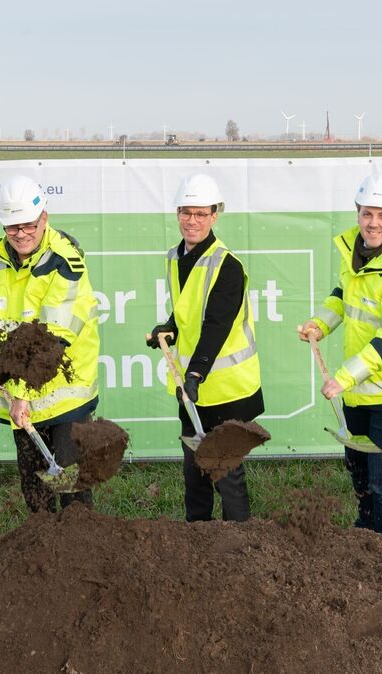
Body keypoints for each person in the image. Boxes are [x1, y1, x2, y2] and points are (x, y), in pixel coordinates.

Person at [298, 174, 382, 538]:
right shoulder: (354, 251)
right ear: (358, 213)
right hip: (358, 393)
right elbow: (343, 296)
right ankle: (366, 538)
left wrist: (345, 376)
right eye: (367, 214)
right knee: (358, 470)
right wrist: (319, 324)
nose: (373, 223)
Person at [0, 175, 100, 513]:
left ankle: (80, 554)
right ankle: (42, 555)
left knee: (70, 485)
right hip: (20, 394)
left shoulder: (65, 262)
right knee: (35, 486)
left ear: (44, 219)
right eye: (13, 228)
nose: (22, 235)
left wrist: (21, 395)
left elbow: (52, 343)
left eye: (29, 225)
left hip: (65, 393)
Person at [146, 174, 263, 522]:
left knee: (225, 474)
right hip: (192, 389)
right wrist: (168, 326)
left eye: (200, 214)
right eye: (186, 212)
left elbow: (216, 326)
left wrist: (196, 373)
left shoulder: (227, 266)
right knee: (194, 470)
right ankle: (196, 542)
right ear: (177, 213)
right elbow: (188, 310)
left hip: (228, 390)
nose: (191, 221)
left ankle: (238, 544)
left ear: (215, 216)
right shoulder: (175, 257)